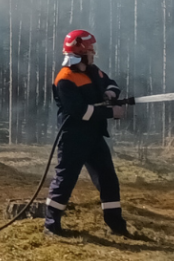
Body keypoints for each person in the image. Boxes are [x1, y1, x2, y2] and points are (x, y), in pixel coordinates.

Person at [45, 29, 130, 238]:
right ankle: (51, 225)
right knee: (65, 180)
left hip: (94, 136)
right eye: (91, 50)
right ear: (81, 52)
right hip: (73, 137)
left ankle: (116, 225)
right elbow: (80, 111)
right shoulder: (65, 78)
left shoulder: (92, 70)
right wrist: (111, 112)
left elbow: (110, 82)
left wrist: (111, 92)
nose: (94, 54)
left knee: (108, 179)